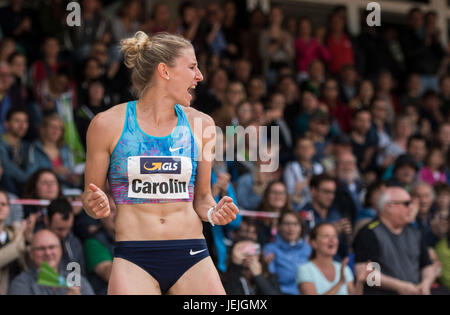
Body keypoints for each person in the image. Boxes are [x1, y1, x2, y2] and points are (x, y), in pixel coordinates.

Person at [81, 31, 239, 295]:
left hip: (193, 255)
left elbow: (202, 198)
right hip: (134, 258)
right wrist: (94, 206)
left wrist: (213, 212)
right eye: (192, 67)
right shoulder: (106, 124)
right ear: (164, 71)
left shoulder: (203, 125)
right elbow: (90, 197)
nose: (199, 76)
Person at [353, 186, 436, 295]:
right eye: (407, 204)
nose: (412, 207)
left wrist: (425, 284)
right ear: (389, 206)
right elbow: (366, 274)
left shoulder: (414, 232)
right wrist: (401, 287)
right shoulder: (369, 233)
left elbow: (426, 265)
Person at [8, 229, 94, 295]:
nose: (48, 253)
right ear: (31, 253)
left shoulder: (78, 281)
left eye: (52, 247)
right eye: (41, 249)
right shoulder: (20, 284)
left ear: (60, 250)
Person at [297, 222, 362, 295]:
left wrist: (360, 282)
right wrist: (340, 283)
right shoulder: (305, 270)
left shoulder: (344, 268)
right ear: (313, 243)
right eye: (326, 236)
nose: (332, 240)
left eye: (335, 236)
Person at [263, 210, 311, 295]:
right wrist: (265, 267)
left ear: (301, 227)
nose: (291, 228)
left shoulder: (308, 249)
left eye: (295, 224)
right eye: (287, 224)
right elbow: (272, 279)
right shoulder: (270, 249)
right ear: (279, 226)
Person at [43, 198, 86, 277]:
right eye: (59, 229)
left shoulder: (75, 243)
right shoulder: (36, 244)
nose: (64, 234)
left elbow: (81, 277)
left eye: (68, 228)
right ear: (46, 220)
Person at [84, 195, 116, 295]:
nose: (118, 215)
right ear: (101, 215)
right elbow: (111, 276)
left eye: (121, 211)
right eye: (112, 210)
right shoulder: (93, 242)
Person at [0, 189, 28, 295]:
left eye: (4, 204)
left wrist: (30, 240)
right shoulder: (18, 236)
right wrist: (19, 236)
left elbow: (25, 265)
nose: (1, 207)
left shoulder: (14, 234)